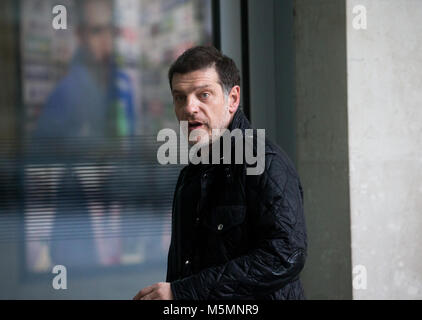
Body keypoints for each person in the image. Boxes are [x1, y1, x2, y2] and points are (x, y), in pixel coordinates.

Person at [133, 46, 307, 300]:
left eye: (203, 95)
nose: (189, 108)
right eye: (180, 97)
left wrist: (183, 293)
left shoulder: (266, 163)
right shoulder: (191, 176)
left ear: (232, 100)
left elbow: (286, 256)